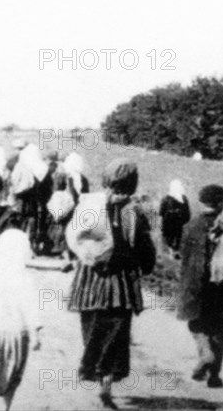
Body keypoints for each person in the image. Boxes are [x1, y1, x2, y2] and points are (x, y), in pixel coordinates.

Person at [67, 159, 156, 410]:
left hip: (90, 279)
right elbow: (145, 249)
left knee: (91, 326)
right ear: (132, 182)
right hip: (121, 282)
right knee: (116, 332)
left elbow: (75, 237)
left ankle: (92, 370)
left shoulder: (90, 204)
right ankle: (106, 383)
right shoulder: (134, 211)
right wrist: (145, 266)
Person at [177, 184, 223, 388]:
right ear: (222, 203)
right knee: (219, 328)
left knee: (196, 323)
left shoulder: (190, 226)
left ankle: (205, 352)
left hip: (197, 284)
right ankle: (214, 376)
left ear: (202, 202)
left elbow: (184, 257)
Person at [0, 228, 42, 411]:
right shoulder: (24, 277)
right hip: (16, 334)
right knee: (12, 374)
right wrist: (35, 334)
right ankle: (5, 406)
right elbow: (30, 308)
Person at [46, 152, 89, 258]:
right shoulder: (83, 178)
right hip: (77, 205)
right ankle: (71, 251)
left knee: (62, 227)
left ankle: (63, 251)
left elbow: (57, 189)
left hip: (66, 204)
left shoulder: (65, 175)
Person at [9, 143, 48, 255]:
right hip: (36, 200)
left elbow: (14, 180)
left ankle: (19, 246)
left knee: (20, 220)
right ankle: (32, 244)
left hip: (22, 197)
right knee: (34, 220)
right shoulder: (42, 167)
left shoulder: (22, 165)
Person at [159, 180, 191, 258]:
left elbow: (161, 212)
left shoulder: (168, 198)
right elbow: (161, 212)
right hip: (172, 222)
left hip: (173, 221)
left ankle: (174, 252)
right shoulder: (169, 198)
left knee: (174, 237)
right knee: (173, 237)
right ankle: (172, 252)